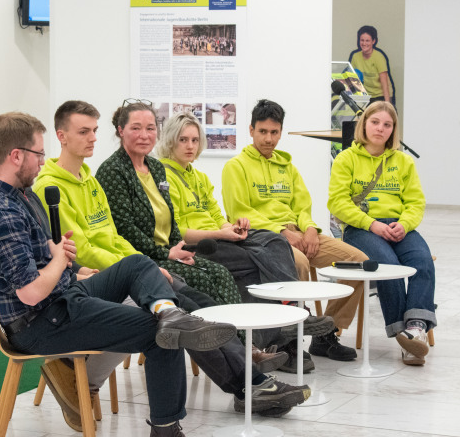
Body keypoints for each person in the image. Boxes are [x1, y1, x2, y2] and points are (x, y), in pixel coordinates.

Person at [0, 111, 241, 437]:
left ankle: (169, 312)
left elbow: (38, 265)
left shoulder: (9, 192)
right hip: (42, 319)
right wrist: (58, 260)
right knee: (160, 333)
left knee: (138, 265)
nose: (42, 161)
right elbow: (31, 293)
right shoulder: (1, 209)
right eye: (39, 154)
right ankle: (166, 427)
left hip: (60, 295)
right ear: (15, 156)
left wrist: (73, 271)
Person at [33, 100, 309, 417]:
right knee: (184, 309)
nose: (92, 138)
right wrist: (144, 267)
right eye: (83, 131)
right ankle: (251, 383)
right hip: (96, 278)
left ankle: (251, 380)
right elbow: (83, 248)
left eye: (94, 130)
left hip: (136, 266)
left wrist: (144, 268)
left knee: (200, 304)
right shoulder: (54, 186)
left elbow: (115, 236)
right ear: (61, 136)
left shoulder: (90, 179)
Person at [156, 112, 336, 371]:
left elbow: (218, 216)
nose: (190, 146)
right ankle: (289, 321)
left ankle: (288, 317)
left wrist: (233, 227)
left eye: (195, 140)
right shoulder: (163, 177)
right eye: (183, 139)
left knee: (274, 241)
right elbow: (178, 231)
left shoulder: (198, 177)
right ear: (170, 141)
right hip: (200, 246)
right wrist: (221, 234)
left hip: (221, 239)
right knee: (254, 264)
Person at [222, 99, 367, 366]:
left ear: (280, 132)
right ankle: (289, 344)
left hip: (301, 233)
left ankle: (326, 334)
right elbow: (239, 212)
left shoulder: (287, 166)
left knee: (359, 264)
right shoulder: (236, 166)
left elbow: (302, 204)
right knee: (297, 262)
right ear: (251, 130)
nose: (268, 138)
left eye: (274, 132)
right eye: (263, 131)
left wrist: (311, 228)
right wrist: (281, 232)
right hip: (265, 237)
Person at [96, 99, 242, 308]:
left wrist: (180, 249)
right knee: (203, 281)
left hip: (169, 251)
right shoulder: (113, 171)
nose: (144, 135)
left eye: (150, 128)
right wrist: (167, 254)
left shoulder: (155, 167)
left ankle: (243, 337)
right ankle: (226, 339)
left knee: (221, 273)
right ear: (121, 130)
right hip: (143, 258)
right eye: (136, 128)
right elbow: (124, 229)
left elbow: (170, 216)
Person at [327, 101, 436, 366]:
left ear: (393, 130)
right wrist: (372, 224)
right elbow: (337, 203)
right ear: (364, 124)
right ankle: (404, 337)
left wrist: (405, 224)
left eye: (387, 125)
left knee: (422, 262)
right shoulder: (346, 159)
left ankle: (416, 327)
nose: (381, 128)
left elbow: (415, 202)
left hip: (399, 226)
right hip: (361, 228)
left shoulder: (403, 162)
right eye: (375, 122)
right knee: (389, 266)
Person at [349, 25, 394, 104]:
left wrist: (387, 105)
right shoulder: (355, 57)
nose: (364, 43)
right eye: (362, 40)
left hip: (381, 95)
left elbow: (385, 84)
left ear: (373, 41)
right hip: (366, 96)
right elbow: (352, 79)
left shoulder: (379, 57)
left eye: (367, 41)